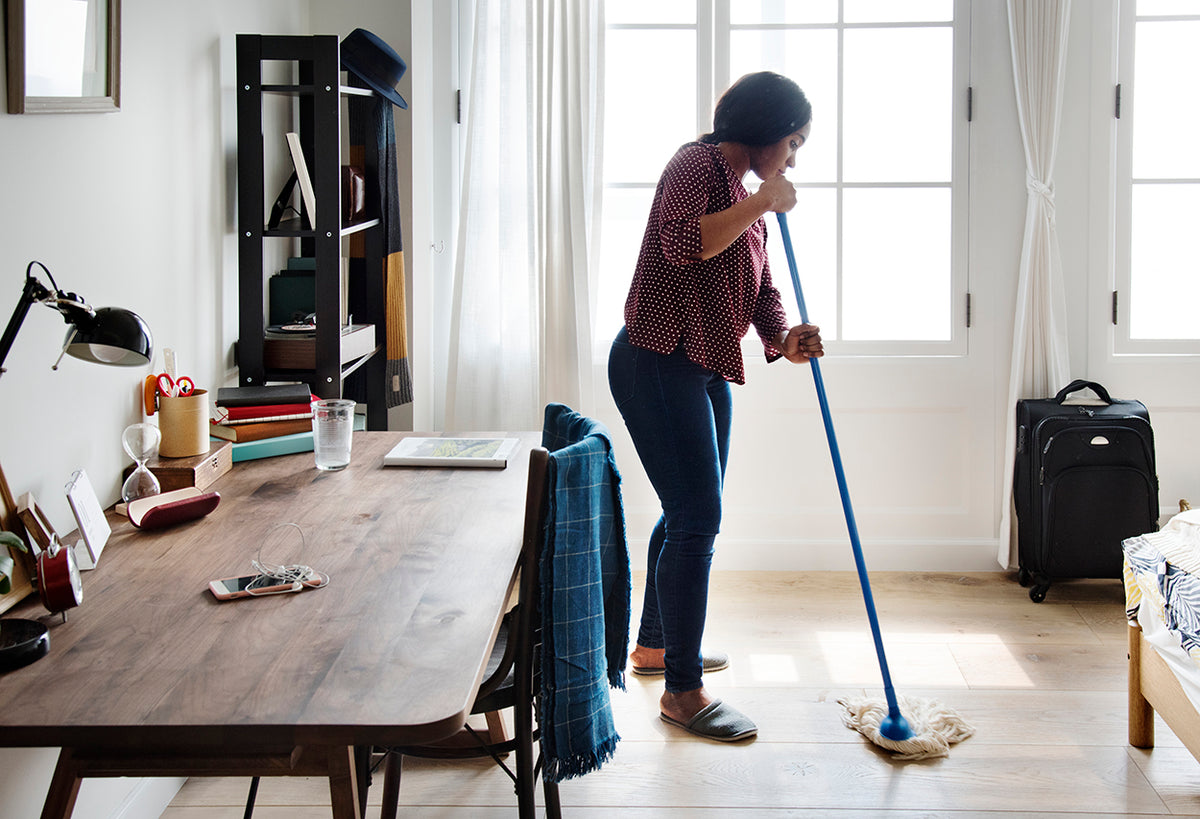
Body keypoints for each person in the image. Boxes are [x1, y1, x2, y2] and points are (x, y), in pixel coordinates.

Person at [607, 71, 823, 742]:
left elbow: (755, 283)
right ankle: (682, 690)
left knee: (688, 511)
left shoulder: (740, 191)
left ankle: (655, 646)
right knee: (698, 515)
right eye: (793, 142)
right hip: (655, 356)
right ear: (764, 130)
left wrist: (782, 336)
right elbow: (682, 245)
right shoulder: (695, 164)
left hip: (702, 364)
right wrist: (762, 203)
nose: (793, 157)